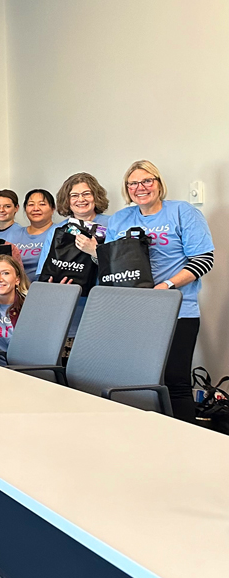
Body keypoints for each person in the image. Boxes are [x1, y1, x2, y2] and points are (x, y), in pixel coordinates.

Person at [107, 160, 214, 423]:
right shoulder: (120, 219)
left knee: (174, 380)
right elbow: (112, 265)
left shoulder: (182, 212)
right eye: (133, 183)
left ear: (158, 183)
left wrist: (166, 286)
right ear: (127, 188)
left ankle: (186, 442)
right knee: (136, 379)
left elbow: (203, 260)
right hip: (134, 311)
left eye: (147, 181)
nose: (140, 187)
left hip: (177, 308)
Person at [37, 172, 112, 336]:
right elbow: (43, 270)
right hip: (66, 304)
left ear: (95, 196)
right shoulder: (57, 230)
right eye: (74, 195)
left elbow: (121, 266)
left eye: (86, 194)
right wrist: (52, 286)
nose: (81, 199)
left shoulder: (113, 224)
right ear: (67, 200)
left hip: (103, 302)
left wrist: (95, 251)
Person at [19, 189, 58, 283]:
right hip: (15, 290)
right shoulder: (14, 233)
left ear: (53, 209)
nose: (36, 208)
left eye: (42, 204)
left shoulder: (59, 233)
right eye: (31, 204)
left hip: (45, 288)